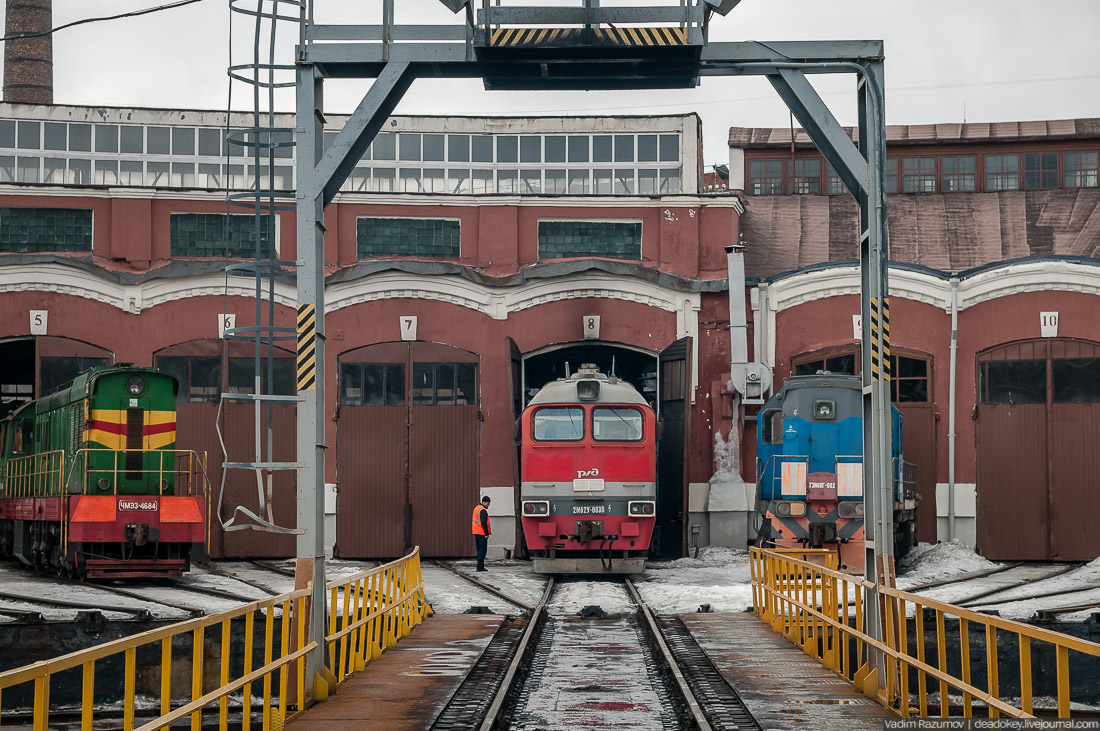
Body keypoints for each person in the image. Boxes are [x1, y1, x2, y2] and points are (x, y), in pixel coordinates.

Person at [471, 495, 491, 572]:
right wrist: (486, 533)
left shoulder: (476, 509)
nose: (488, 506)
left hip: (476, 532)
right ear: (485, 502)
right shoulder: (482, 510)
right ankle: (480, 567)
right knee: (482, 551)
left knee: (479, 549)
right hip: (482, 533)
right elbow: (483, 523)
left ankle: (479, 566)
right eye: (488, 504)